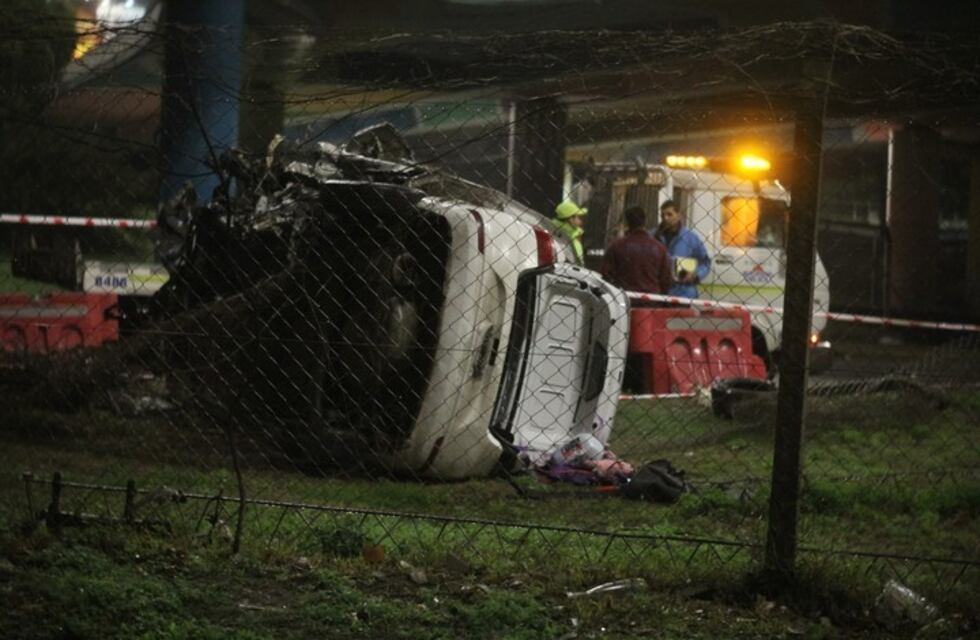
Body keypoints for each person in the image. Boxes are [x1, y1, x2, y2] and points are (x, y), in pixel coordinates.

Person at [601, 206, 672, 295]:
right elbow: (666, 279)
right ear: (644, 222)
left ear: (626, 224)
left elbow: (606, 275)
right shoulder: (659, 248)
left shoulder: (617, 246)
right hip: (652, 299)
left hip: (625, 298)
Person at [654, 199, 711, 299]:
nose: (665, 218)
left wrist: (696, 274)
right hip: (658, 292)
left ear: (679, 215)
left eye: (669, 214)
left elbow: (706, 262)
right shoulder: (653, 236)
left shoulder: (690, 238)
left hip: (683, 294)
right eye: (662, 215)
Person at [552, 201, 587, 265]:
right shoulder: (560, 235)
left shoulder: (575, 233)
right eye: (579, 217)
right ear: (570, 219)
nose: (581, 221)